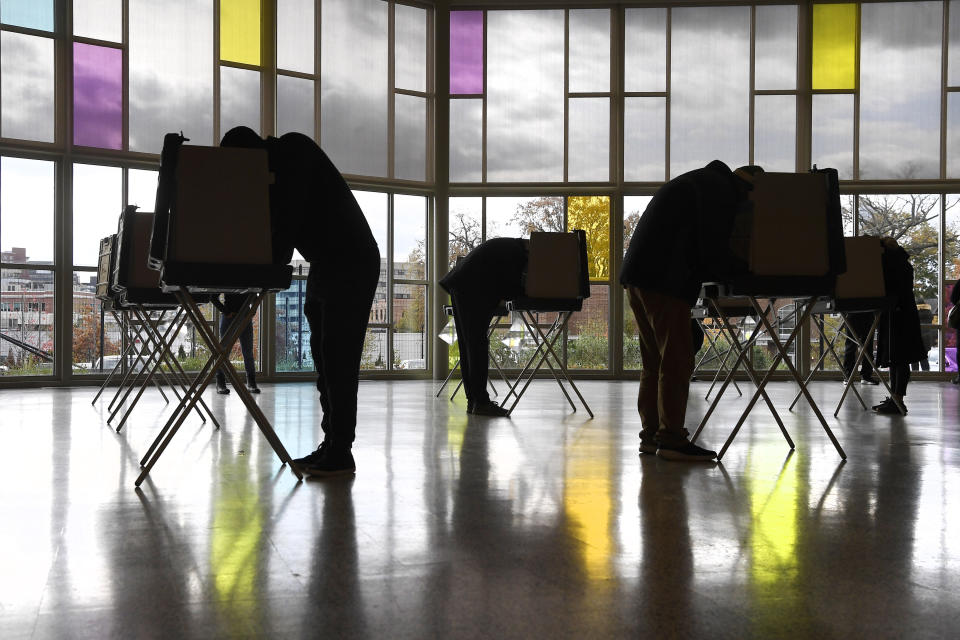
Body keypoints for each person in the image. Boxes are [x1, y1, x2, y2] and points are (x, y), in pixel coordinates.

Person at [221, 126, 380, 477]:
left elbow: (283, 228)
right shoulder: (277, 168)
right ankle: (333, 445)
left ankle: (340, 450)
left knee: (337, 355)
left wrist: (247, 277)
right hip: (328, 261)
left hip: (352, 260)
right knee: (323, 354)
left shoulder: (293, 151)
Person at [620, 160, 763, 461]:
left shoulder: (700, 182)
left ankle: (650, 437)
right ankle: (671, 439)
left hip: (637, 275)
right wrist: (747, 271)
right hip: (663, 278)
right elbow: (713, 249)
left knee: (655, 362)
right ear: (749, 190)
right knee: (677, 360)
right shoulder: (722, 192)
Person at [439, 238, 528, 417]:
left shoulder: (510, 247)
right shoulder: (519, 255)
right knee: (477, 344)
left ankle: (474, 401)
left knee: (468, 345)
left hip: (461, 283)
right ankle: (481, 402)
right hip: (472, 286)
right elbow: (513, 288)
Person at [872, 237, 926, 415]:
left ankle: (897, 399)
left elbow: (888, 288)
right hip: (904, 313)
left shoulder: (889, 264)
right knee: (897, 358)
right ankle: (895, 397)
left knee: (897, 358)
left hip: (896, 313)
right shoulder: (903, 263)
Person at [212, 293, 260, 395]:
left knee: (246, 352)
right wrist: (225, 311)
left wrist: (252, 311)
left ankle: (251, 383)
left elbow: (255, 298)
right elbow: (213, 297)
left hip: (241, 317)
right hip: (233, 316)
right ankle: (221, 383)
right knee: (225, 353)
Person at [841, 311, 879, 384]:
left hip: (853, 313)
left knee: (852, 347)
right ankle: (865, 376)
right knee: (867, 347)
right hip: (866, 313)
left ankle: (848, 376)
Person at [910, 302, 935, 371]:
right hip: (926, 339)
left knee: (914, 359)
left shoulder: (914, 314)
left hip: (915, 338)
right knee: (924, 358)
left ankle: (915, 375)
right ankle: (926, 374)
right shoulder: (929, 314)